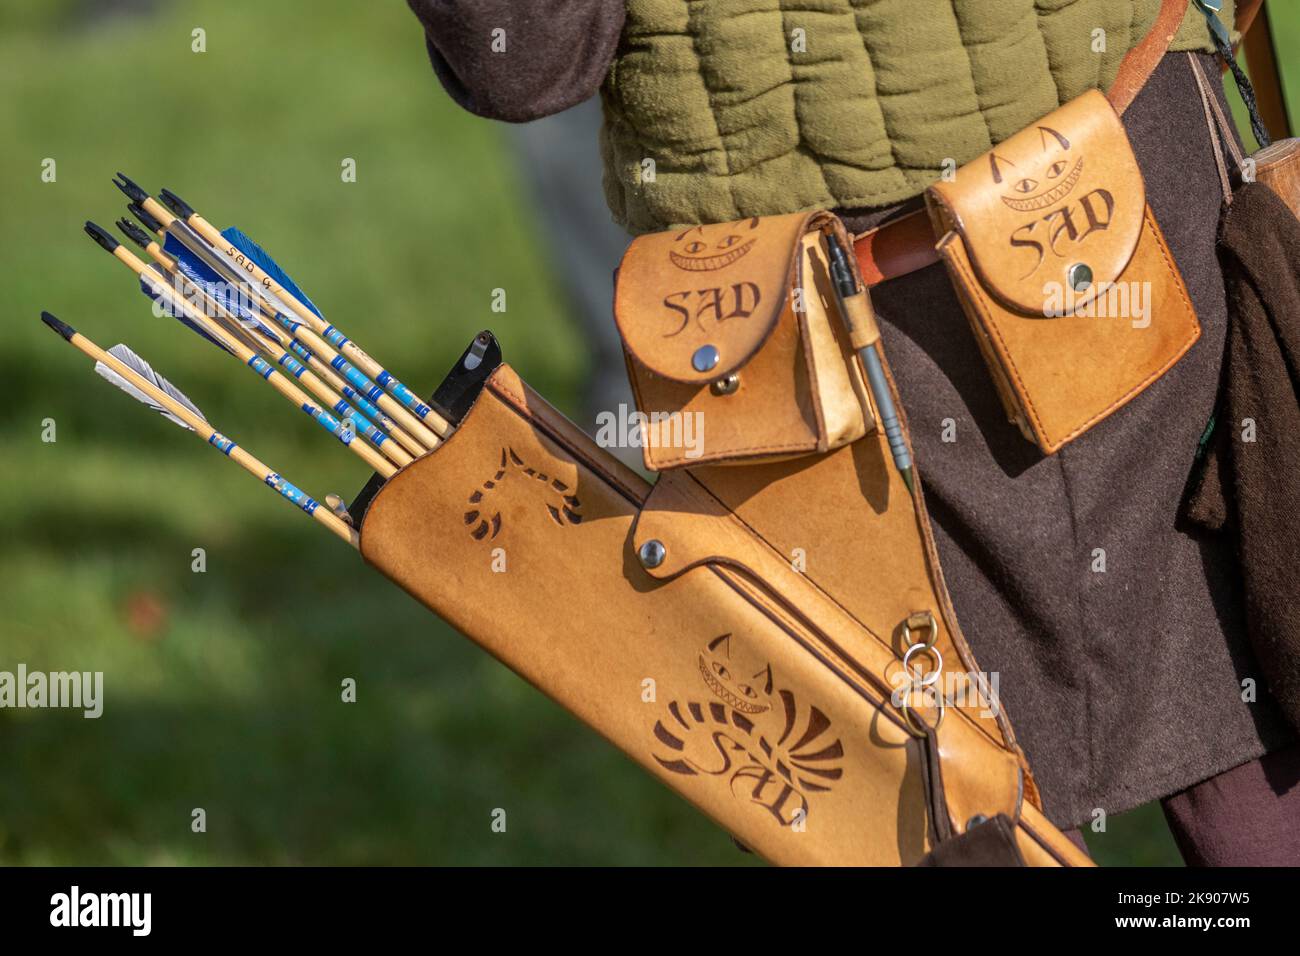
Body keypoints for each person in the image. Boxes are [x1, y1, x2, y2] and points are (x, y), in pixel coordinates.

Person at [404, 0, 1299, 865]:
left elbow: (523, 54)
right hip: (1109, 176)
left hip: (806, 315)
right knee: (1238, 727)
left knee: (920, 792)